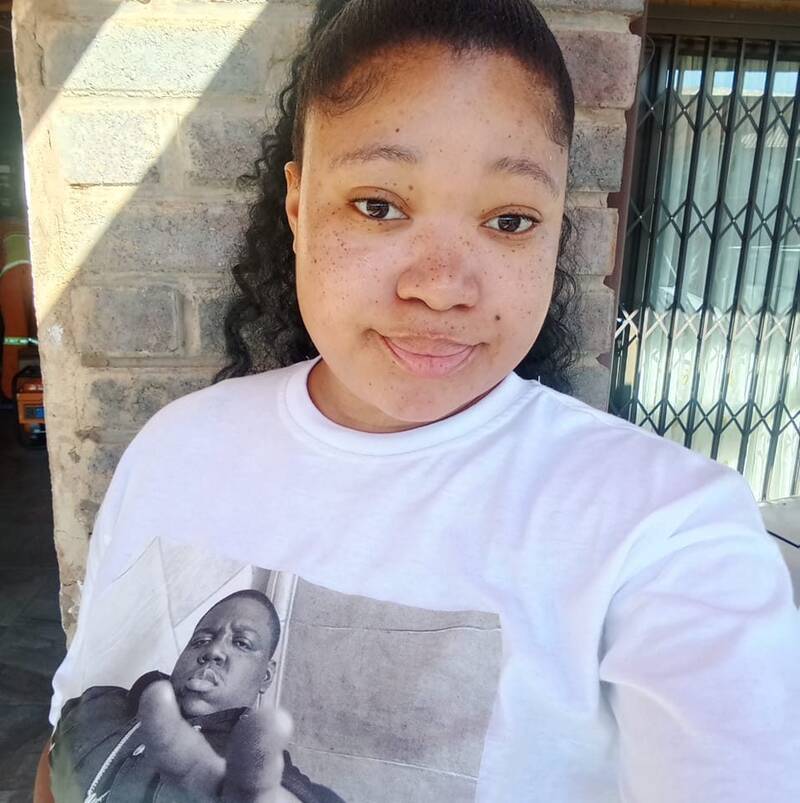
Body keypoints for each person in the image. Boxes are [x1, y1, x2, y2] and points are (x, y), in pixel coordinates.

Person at [39, 1, 800, 801]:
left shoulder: (665, 531)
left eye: (510, 219)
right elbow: (62, 755)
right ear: (298, 208)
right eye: (378, 205)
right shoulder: (177, 447)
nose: (441, 286)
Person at [48, 590, 345, 803]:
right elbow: (50, 760)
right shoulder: (101, 702)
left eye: (241, 643)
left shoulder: (255, 766)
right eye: (201, 639)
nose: (213, 651)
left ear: (265, 676)